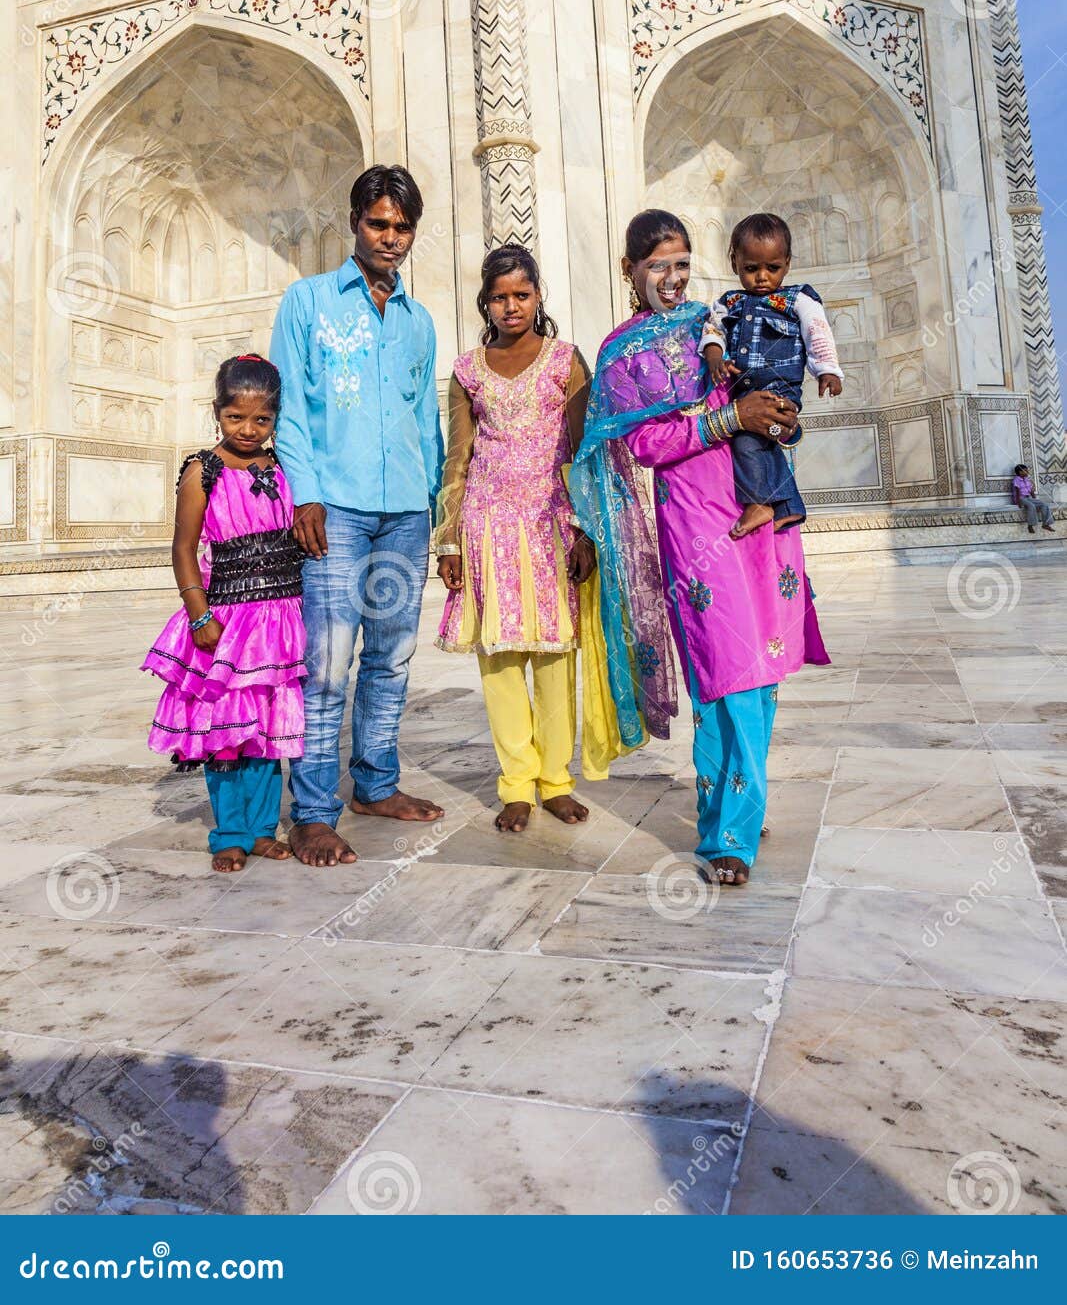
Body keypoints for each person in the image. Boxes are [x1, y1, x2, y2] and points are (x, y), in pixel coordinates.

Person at [572, 209, 830, 887]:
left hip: (760, 514)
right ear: (629, 270)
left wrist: (777, 415)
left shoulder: (719, 320)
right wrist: (726, 418)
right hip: (694, 523)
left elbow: (775, 395)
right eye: (658, 265)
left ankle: (733, 806)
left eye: (682, 263)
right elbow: (646, 443)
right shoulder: (621, 351)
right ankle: (730, 837)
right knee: (723, 674)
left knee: (760, 674)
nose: (672, 278)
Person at [270, 165, 445, 868]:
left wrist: (432, 498)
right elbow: (289, 411)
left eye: (403, 227)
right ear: (353, 223)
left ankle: (375, 784)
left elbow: (425, 418)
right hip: (334, 509)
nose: (391, 238)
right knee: (327, 663)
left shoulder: (417, 319)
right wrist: (304, 495)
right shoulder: (308, 302)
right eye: (379, 223)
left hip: (404, 510)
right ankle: (312, 813)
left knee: (392, 658)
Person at [436, 244, 621, 831]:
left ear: (538, 295)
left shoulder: (566, 361)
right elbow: (457, 460)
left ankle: (555, 780)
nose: (511, 306)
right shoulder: (467, 370)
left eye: (521, 294)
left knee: (553, 654)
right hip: (486, 526)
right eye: (499, 297)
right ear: (485, 303)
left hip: (550, 525)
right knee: (500, 657)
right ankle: (516, 783)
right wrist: (449, 541)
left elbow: (584, 451)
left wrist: (587, 527)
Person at [142, 355, 305, 873]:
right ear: (217, 412)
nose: (249, 430)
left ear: (276, 418)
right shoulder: (202, 469)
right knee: (226, 735)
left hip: (278, 619)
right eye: (236, 418)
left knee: (264, 730)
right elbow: (183, 547)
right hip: (227, 620)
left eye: (261, 420)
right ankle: (229, 832)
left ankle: (261, 829)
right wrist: (198, 615)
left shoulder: (282, 465)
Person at [702, 212, 842, 539]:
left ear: (788, 264)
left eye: (772, 268)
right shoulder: (729, 302)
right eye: (751, 268)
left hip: (780, 391)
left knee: (750, 439)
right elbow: (713, 331)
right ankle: (789, 505)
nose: (762, 277)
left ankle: (761, 503)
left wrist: (827, 370)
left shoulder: (798, 299)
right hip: (744, 392)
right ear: (734, 261)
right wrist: (714, 356)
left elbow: (817, 331)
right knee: (760, 438)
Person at [1011, 463, 1055, 533]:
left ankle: (1045, 524)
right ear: (1020, 472)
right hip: (1020, 498)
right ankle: (1030, 526)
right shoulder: (1016, 480)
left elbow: (1031, 491)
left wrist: (1035, 500)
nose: (1027, 472)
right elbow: (1017, 492)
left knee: (1044, 504)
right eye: (1025, 470)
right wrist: (1019, 503)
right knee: (1031, 506)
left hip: (1028, 498)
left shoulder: (1027, 479)